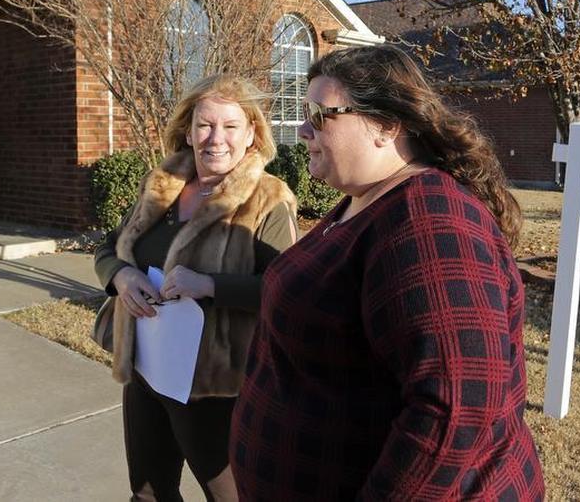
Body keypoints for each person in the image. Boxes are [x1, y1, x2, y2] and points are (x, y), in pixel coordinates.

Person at [230, 45, 545, 500]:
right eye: (303, 113)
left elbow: (456, 410)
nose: (302, 131)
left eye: (320, 115)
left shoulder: (429, 221)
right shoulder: (367, 199)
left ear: (387, 125)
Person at [94, 74, 297, 502]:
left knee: (229, 496)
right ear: (187, 130)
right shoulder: (162, 186)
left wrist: (209, 284)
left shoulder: (269, 200)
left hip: (214, 386)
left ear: (252, 136)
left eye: (230, 126)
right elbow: (111, 246)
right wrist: (121, 275)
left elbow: (287, 294)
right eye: (204, 125)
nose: (215, 138)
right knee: (148, 492)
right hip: (147, 367)